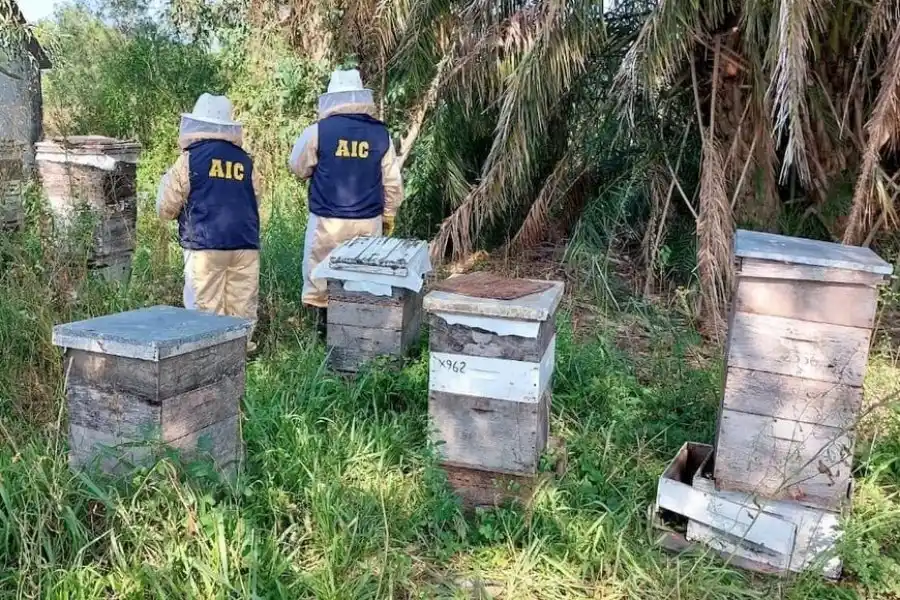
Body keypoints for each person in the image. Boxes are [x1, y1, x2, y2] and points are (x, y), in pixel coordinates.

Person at [289, 69, 404, 334]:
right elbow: (392, 183)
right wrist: (388, 214)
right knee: (362, 276)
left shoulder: (318, 131)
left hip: (327, 221)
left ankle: (322, 333)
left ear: (331, 98)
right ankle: (356, 332)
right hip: (368, 221)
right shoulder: (380, 134)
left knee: (320, 276)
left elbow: (297, 166)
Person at [156, 93, 262, 352]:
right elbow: (255, 197)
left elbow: (167, 205)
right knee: (242, 305)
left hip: (205, 245)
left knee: (204, 310)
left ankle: (209, 360)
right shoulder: (245, 161)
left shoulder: (190, 158)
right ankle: (238, 356)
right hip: (244, 243)